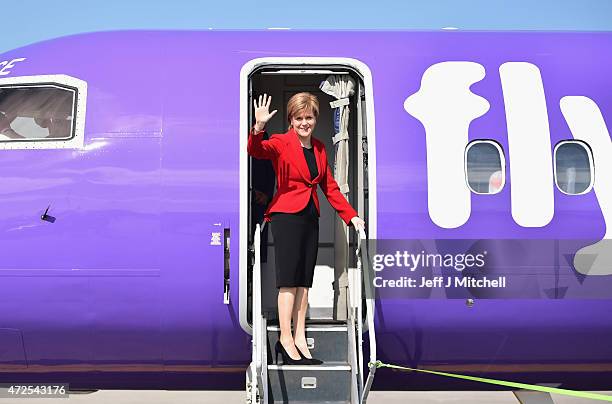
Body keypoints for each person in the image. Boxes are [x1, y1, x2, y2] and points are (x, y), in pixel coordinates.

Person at [247, 92, 366, 365]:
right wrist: (259, 128)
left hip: (311, 216)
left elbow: (330, 188)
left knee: (304, 282)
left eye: (309, 117)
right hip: (286, 216)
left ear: (315, 119)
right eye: (299, 118)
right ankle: (284, 339)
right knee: (288, 281)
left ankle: (300, 336)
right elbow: (255, 150)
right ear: (291, 120)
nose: (304, 123)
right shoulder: (280, 142)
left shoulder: (321, 148)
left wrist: (352, 216)